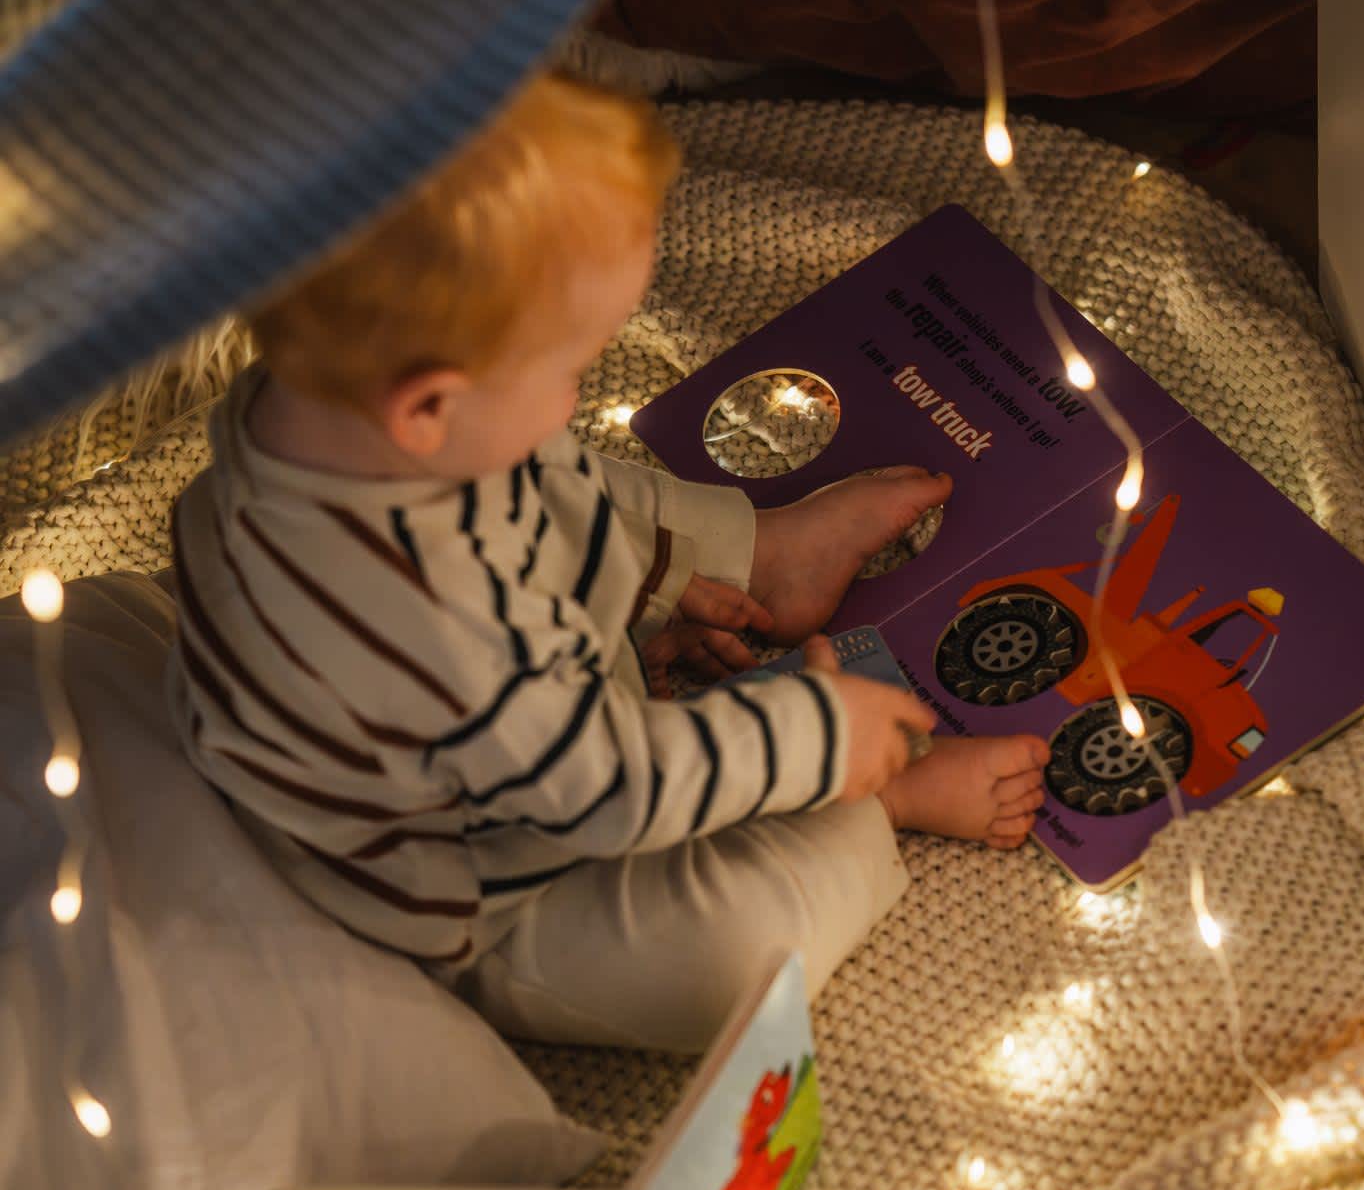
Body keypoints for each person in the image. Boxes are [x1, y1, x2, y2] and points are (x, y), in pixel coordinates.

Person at [169, 72, 1049, 1053]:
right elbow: (604, 789)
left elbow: (553, 495)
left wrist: (634, 589)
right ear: (427, 406)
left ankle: (769, 556)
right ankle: (884, 803)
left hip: (508, 726)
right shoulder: (431, 624)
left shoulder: (315, 420)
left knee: (555, 471)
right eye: (572, 367)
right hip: (474, 888)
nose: (578, 389)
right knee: (730, 959)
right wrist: (812, 738)